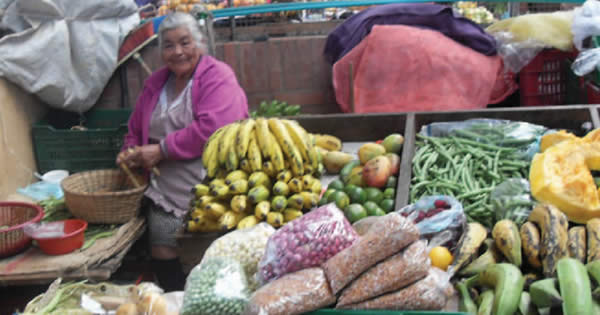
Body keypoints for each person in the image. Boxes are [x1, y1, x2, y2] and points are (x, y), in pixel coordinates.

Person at [116, 12, 248, 291]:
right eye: (169, 45)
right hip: (166, 191)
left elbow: (214, 128)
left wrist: (162, 150)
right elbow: (135, 126)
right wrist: (130, 151)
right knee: (163, 248)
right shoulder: (156, 83)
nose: (177, 52)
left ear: (199, 43)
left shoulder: (217, 76)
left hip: (213, 186)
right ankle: (176, 299)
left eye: (185, 43)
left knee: (213, 257)